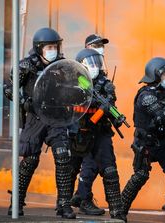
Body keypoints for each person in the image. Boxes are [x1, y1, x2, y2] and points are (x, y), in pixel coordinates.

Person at [4, 27, 76, 219]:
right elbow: (9, 88)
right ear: (39, 48)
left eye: (56, 46)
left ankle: (64, 205)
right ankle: (16, 203)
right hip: (35, 118)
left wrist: (84, 88)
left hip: (56, 118)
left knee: (63, 157)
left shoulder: (63, 65)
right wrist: (24, 102)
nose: (53, 50)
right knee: (29, 161)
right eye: (49, 47)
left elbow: (81, 83)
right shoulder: (26, 66)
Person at [121, 57, 165, 223]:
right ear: (156, 75)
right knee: (141, 175)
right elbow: (160, 116)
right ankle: (120, 209)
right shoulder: (146, 95)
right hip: (147, 142)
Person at [66, 48, 126, 221]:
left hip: (100, 133)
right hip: (80, 132)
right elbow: (74, 104)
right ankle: (65, 202)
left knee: (109, 169)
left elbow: (110, 104)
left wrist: (112, 114)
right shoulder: (74, 82)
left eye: (96, 62)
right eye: (90, 63)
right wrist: (98, 108)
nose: (95, 66)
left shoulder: (106, 84)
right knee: (71, 168)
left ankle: (116, 209)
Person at [70, 33, 110, 215]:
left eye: (102, 45)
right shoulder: (80, 74)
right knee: (76, 165)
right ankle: (72, 199)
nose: (100, 48)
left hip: (94, 127)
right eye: (96, 45)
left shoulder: (101, 72)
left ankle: (80, 196)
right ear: (86, 47)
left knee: (88, 164)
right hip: (80, 127)